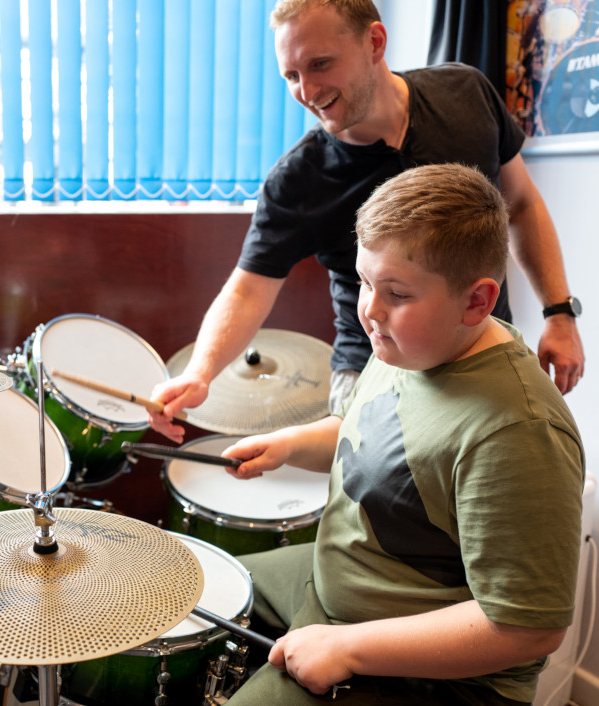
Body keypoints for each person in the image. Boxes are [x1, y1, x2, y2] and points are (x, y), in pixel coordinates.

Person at [216, 163, 584, 705]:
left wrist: (350, 648)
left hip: (438, 679)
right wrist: (291, 445)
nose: (369, 310)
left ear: (477, 302)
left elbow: (527, 627)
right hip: (333, 584)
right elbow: (377, 436)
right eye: (365, 281)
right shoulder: (417, 342)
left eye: (395, 292)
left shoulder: (517, 431)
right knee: (182, 587)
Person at [149, 0, 584, 444]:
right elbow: (246, 290)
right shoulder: (298, 180)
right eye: (291, 76)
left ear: (374, 42)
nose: (308, 90)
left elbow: (523, 205)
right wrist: (200, 373)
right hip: (374, 366)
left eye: (320, 64)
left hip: (484, 348)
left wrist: (560, 314)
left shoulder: (467, 94)